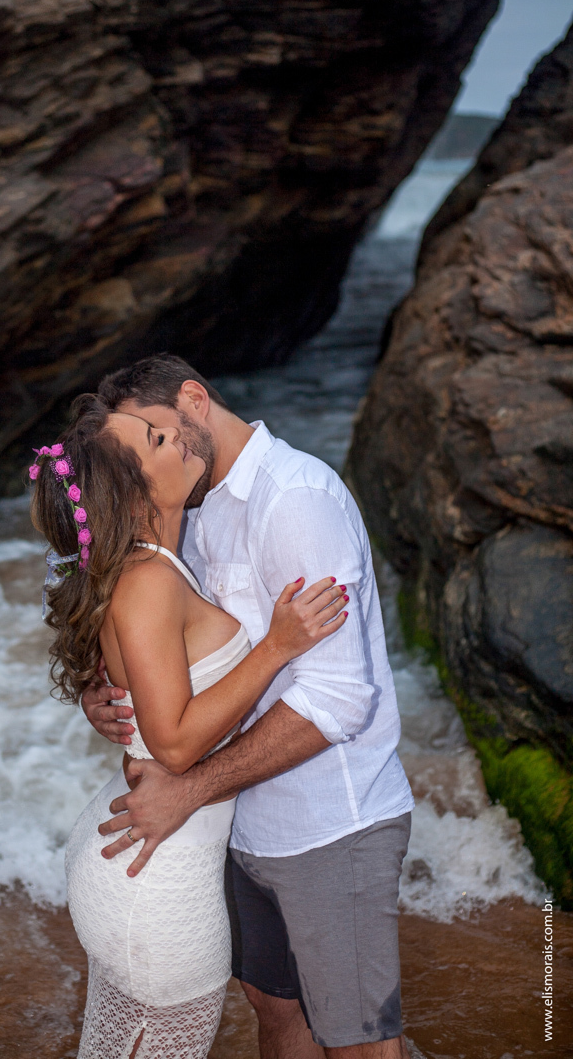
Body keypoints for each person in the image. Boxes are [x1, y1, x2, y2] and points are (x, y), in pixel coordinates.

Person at [83, 354, 416, 1059]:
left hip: (329, 824)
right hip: (242, 827)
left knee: (358, 1040)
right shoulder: (189, 513)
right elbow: (164, 647)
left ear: (193, 400)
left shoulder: (294, 499)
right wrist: (107, 693)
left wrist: (189, 789)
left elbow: (337, 699)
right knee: (275, 1009)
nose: (149, 458)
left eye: (154, 435)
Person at [30, 394, 347, 1059]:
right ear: (136, 492)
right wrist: (276, 647)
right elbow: (173, 743)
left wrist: (96, 695)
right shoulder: (148, 579)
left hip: (138, 857)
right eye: (154, 439)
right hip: (159, 881)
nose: (174, 434)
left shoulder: (146, 567)